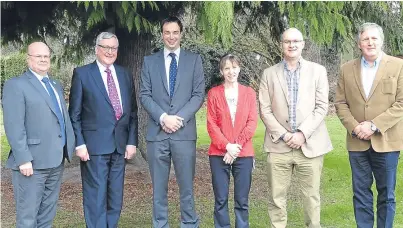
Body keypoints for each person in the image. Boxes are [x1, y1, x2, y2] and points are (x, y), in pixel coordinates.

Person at [259, 28, 333, 228]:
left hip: (310, 146)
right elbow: (265, 110)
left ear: (303, 44)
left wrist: (302, 134)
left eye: (296, 41)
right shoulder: (268, 73)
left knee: (311, 197)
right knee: (276, 198)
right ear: (281, 45)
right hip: (278, 146)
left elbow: (321, 106)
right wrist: (284, 135)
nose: (291, 45)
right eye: (287, 41)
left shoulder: (318, 71)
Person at [335, 22, 403, 228]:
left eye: (374, 38)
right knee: (361, 194)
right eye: (366, 39)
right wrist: (356, 127)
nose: (370, 42)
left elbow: (401, 103)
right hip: (357, 143)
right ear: (359, 43)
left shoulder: (398, 66)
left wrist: (373, 125)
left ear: (381, 41)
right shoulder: (346, 69)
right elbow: (339, 103)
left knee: (386, 195)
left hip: (387, 142)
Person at [139, 16, 205, 228]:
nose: (171, 36)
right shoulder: (150, 62)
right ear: (162, 34)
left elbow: (197, 95)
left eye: (175, 32)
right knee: (159, 188)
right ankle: (160, 224)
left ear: (181, 34)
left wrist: (179, 119)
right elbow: (145, 95)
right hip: (157, 135)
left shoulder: (194, 60)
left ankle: (189, 223)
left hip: (184, 134)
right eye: (167, 32)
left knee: (186, 187)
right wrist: (163, 118)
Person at [68, 32, 138, 228]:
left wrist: (132, 141)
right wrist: (79, 143)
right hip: (93, 149)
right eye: (105, 47)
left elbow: (132, 111)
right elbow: (74, 114)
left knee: (115, 197)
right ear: (97, 49)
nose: (110, 51)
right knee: (95, 197)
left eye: (113, 48)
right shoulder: (82, 74)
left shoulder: (125, 74)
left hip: (120, 147)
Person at [2, 42, 75, 227]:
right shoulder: (16, 85)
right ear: (28, 59)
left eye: (46, 56)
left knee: (47, 217)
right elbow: (14, 125)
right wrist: (23, 158)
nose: (43, 59)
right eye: (38, 56)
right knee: (28, 219)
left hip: (56, 161)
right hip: (31, 163)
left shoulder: (55, 84)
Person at [206, 54, 257, 228]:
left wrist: (236, 147)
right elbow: (211, 124)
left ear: (239, 69)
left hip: (244, 154)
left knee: (242, 201)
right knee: (220, 200)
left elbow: (252, 123)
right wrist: (227, 146)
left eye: (234, 67)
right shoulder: (213, 94)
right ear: (221, 71)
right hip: (218, 154)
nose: (231, 71)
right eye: (227, 68)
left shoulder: (249, 93)